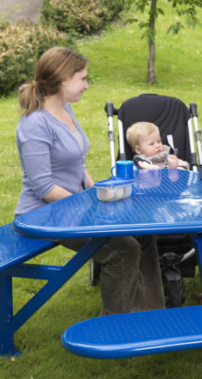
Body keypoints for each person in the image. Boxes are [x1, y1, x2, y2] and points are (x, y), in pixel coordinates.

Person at [14, 47, 165, 315]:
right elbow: (44, 187)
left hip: (74, 206)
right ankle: (113, 327)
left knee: (142, 232)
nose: (86, 85)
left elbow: (76, 162)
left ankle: (150, 313)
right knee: (123, 250)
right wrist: (90, 202)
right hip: (44, 215)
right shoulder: (35, 123)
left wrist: (98, 189)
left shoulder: (65, 109)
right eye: (82, 78)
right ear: (63, 80)